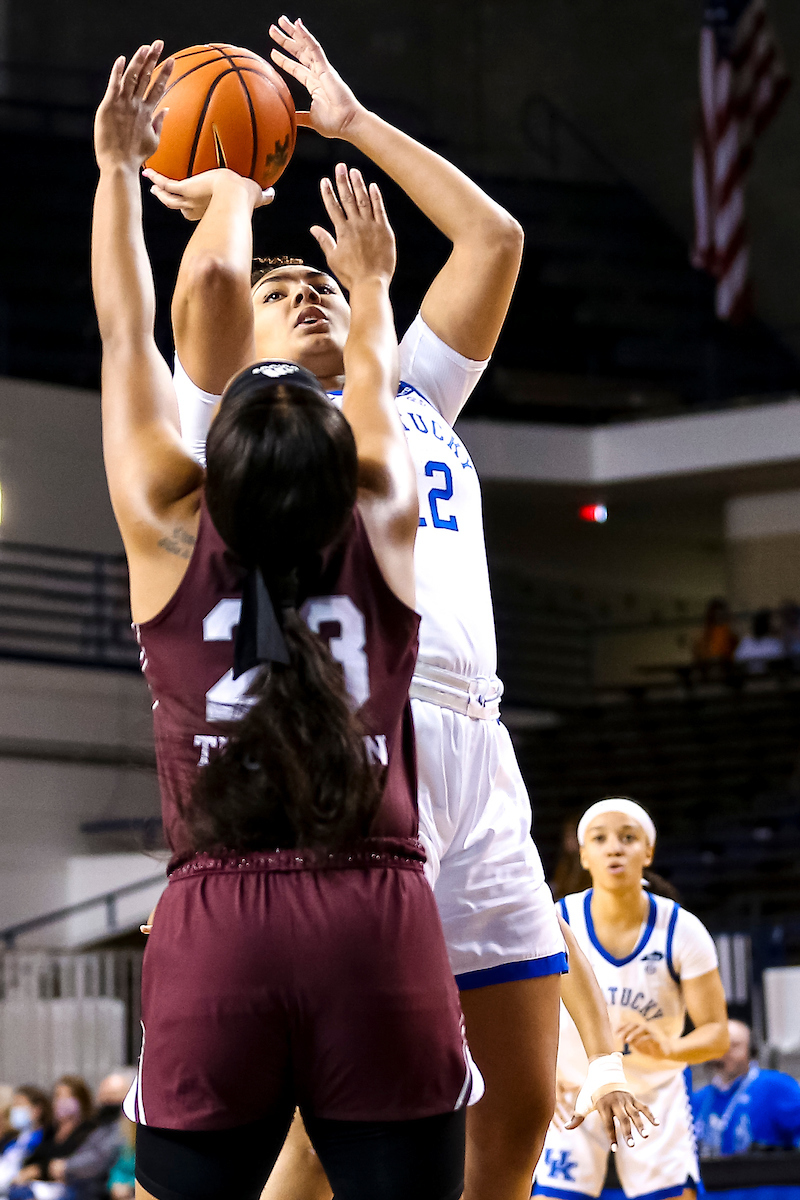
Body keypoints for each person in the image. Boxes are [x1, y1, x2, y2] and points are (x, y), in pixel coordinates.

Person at [145, 18, 566, 1200]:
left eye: (320, 280)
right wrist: (230, 201)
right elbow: (207, 303)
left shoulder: (402, 394)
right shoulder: (240, 419)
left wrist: (350, 124)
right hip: (352, 743)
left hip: (476, 738)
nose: (307, 292)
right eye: (282, 288)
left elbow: (494, 238)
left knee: (520, 1105)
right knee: (332, 1124)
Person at [92, 41, 478, 1200]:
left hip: (219, 924)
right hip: (378, 917)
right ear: (344, 454)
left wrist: (143, 180)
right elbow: (368, 392)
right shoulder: (382, 509)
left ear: (213, 456)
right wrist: (368, 290)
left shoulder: (168, 523)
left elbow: (132, 334)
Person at [534, 797, 730, 1200]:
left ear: (649, 851)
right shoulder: (556, 921)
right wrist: (540, 1077)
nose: (615, 848)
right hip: (572, 1089)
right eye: (600, 839)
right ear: (584, 855)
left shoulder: (681, 929)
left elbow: (717, 1035)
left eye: (627, 838)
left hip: (653, 1092)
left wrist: (670, 1048)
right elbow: (523, 1014)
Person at [693, 1020, 800, 1156]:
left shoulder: (776, 1086)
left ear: (751, 1051)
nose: (726, 1053)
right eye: (719, 1046)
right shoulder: (700, 1098)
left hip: (764, 1174)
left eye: (734, 1046)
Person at [45, 1071, 135, 1200]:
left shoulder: (125, 1127)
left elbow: (102, 1158)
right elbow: (86, 1150)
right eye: (104, 1095)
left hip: (99, 1187)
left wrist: (67, 1166)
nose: (107, 1100)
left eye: (113, 1095)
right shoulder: (99, 1123)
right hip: (84, 1184)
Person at [12, 1078, 93, 1197]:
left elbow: (77, 1162)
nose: (60, 1101)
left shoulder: (88, 1130)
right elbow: (35, 1158)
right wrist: (37, 1169)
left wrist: (41, 1169)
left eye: (67, 1096)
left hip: (71, 1187)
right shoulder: (50, 1130)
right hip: (42, 1186)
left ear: (80, 1101)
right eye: (57, 1096)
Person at [0, 1089, 50, 1196]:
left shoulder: (44, 1137)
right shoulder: (13, 1139)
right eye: (14, 1105)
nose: (15, 1109)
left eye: (19, 1104)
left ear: (36, 1109)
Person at [693, 599, 738, 665]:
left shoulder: (730, 633)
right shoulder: (704, 635)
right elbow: (699, 655)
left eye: (721, 614)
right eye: (716, 613)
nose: (718, 616)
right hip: (708, 666)